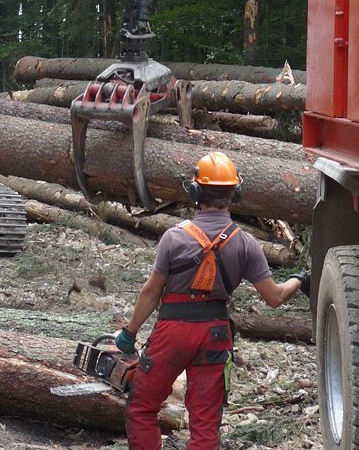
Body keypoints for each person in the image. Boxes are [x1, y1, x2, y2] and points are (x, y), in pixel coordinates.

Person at [114, 151, 309, 450]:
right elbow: (275, 297)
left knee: (141, 408)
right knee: (205, 427)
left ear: (195, 192)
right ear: (235, 193)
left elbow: (151, 292)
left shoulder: (174, 237)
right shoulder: (246, 243)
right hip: (215, 335)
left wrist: (129, 334)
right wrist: (300, 278)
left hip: (173, 331)